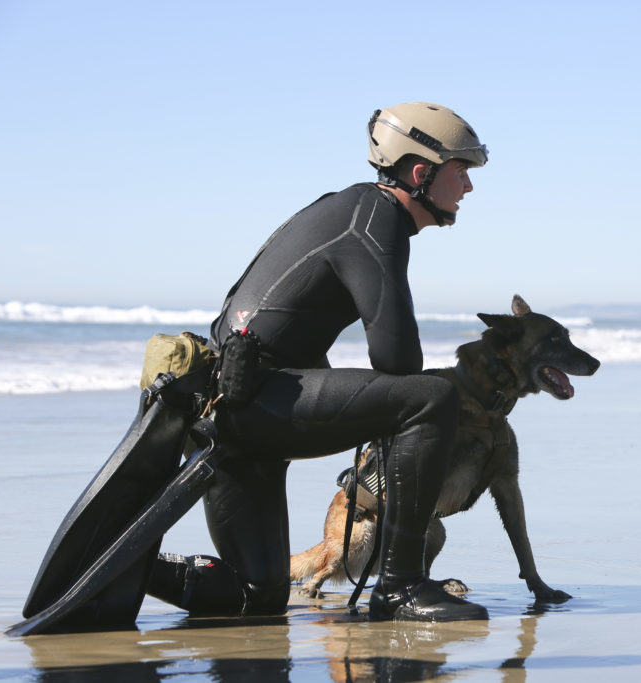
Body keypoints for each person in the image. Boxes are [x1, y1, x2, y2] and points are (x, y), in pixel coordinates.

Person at [146, 102, 490, 621]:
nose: (468, 187)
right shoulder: (375, 218)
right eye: (461, 171)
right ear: (422, 173)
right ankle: (401, 587)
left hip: (224, 411)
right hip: (247, 408)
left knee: (257, 595)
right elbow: (398, 359)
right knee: (430, 398)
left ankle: (130, 567)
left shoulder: (351, 209)